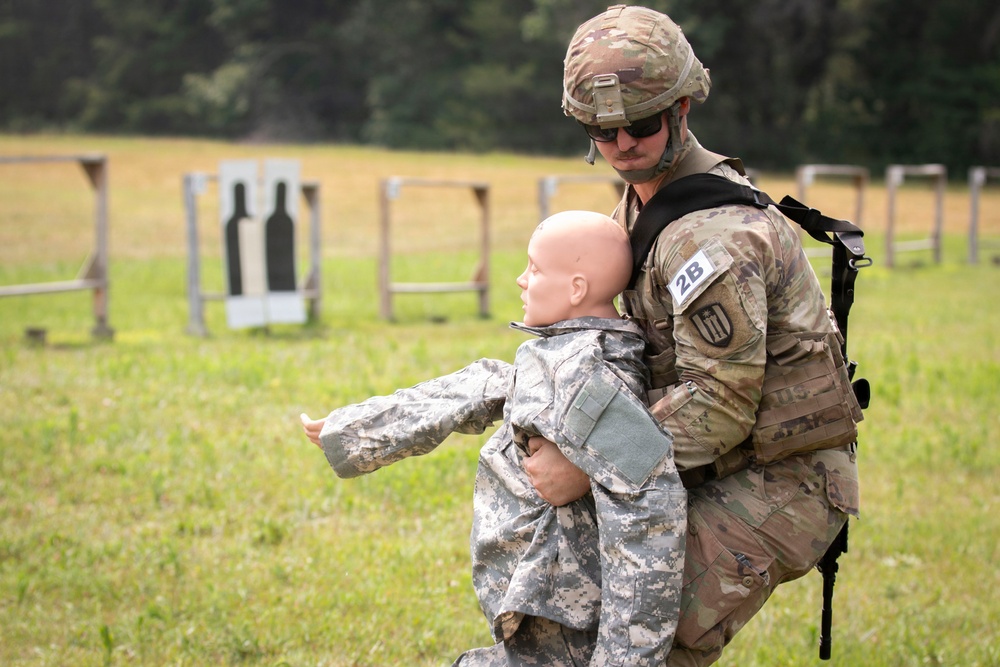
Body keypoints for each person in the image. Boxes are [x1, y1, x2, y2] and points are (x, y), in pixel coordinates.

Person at [520, 5, 864, 666]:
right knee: (572, 608)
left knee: (642, 630)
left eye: (640, 124)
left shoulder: (713, 237)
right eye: (602, 129)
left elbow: (720, 406)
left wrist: (584, 462)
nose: (621, 144)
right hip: (695, 460)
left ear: (682, 107)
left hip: (779, 477)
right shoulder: (644, 198)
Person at [301, 210, 686, 666]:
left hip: (558, 613)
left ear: (576, 288)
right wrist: (352, 430)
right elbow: (481, 387)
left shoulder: (587, 373)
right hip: (543, 606)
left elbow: (647, 511)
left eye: (535, 269)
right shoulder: (565, 353)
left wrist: (625, 662)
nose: (521, 280)